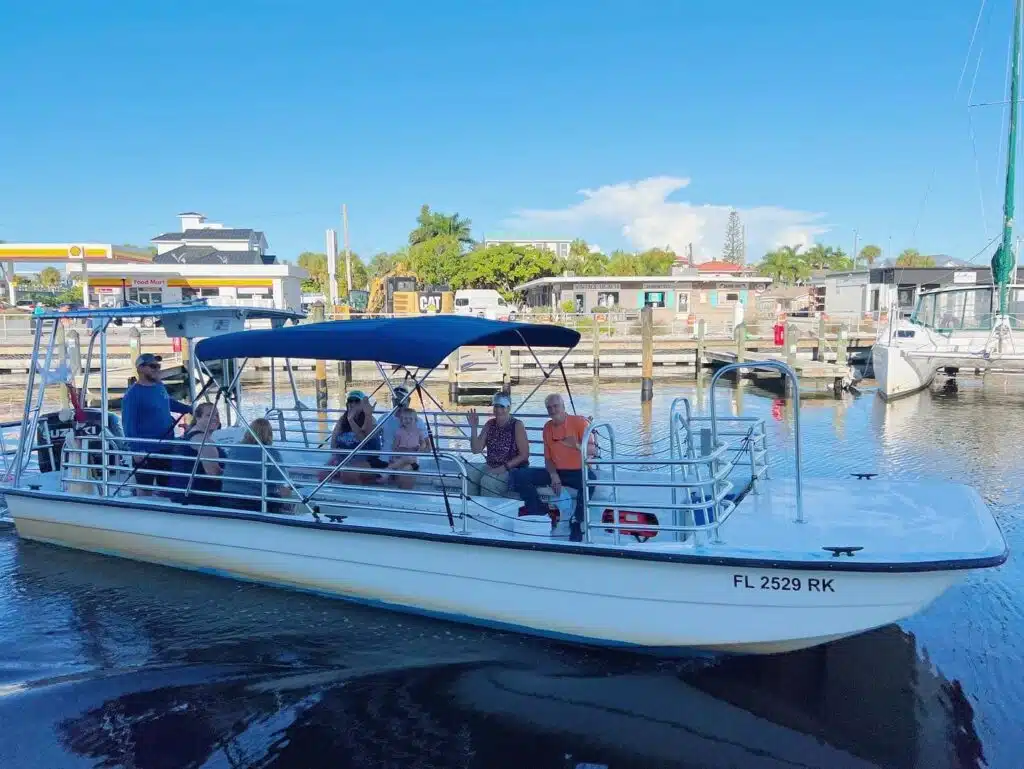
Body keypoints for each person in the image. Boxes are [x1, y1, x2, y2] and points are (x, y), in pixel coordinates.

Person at [509, 393, 596, 541]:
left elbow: (593, 450)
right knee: (518, 475)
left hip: (577, 470)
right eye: (549, 407)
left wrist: (576, 445)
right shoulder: (547, 428)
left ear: (563, 407)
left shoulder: (579, 422)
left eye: (556, 406)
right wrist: (553, 475)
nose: (553, 410)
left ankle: (577, 520)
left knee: (591, 480)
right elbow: (548, 459)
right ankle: (539, 511)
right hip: (557, 471)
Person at [121, 352, 192, 495]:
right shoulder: (132, 395)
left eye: (158, 366)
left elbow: (168, 403)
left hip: (167, 447)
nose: (157, 369)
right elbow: (128, 425)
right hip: (146, 450)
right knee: (144, 489)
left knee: (167, 487)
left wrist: (190, 409)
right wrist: (136, 450)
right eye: (153, 366)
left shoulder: (159, 386)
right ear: (140, 368)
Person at [466, 392, 529, 496]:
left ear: (509, 408)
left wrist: (504, 467)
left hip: (512, 469)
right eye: (496, 406)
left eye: (502, 406)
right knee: (470, 477)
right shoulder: (489, 424)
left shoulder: (517, 425)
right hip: (491, 465)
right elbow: (476, 450)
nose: (498, 410)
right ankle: (472, 505)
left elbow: (524, 455)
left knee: (488, 482)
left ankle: (489, 506)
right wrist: (473, 428)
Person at [222, 417, 292, 513]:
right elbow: (279, 482)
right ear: (269, 434)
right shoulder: (271, 453)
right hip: (254, 502)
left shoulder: (234, 448)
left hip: (227, 497)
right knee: (287, 495)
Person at [167, 402, 224, 504]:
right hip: (199, 497)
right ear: (198, 418)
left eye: (216, 415)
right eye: (209, 415)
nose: (215, 418)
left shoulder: (189, 435)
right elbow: (214, 474)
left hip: (179, 494)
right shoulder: (203, 441)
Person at [328, 390, 384, 483]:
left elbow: (363, 440)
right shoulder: (342, 420)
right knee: (323, 474)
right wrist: (335, 458)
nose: (353, 404)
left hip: (367, 460)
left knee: (348, 473)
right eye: (350, 401)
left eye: (357, 401)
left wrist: (351, 420)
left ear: (362, 405)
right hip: (345, 459)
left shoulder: (370, 419)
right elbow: (333, 442)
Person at [379, 385, 430, 464]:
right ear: (392, 400)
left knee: (405, 469)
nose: (399, 402)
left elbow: (428, 447)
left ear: (408, 400)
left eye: (402, 399)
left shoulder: (418, 421)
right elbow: (371, 437)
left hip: (408, 462)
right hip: (384, 460)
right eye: (396, 399)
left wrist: (412, 452)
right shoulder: (384, 418)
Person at [387, 407, 428, 490]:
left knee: (406, 465)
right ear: (401, 420)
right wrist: (403, 450)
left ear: (415, 420)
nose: (408, 420)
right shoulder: (399, 432)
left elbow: (423, 443)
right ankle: (400, 486)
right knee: (404, 465)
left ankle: (389, 470)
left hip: (413, 461)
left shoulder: (418, 431)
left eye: (410, 419)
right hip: (400, 458)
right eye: (405, 418)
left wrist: (421, 448)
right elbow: (394, 447)